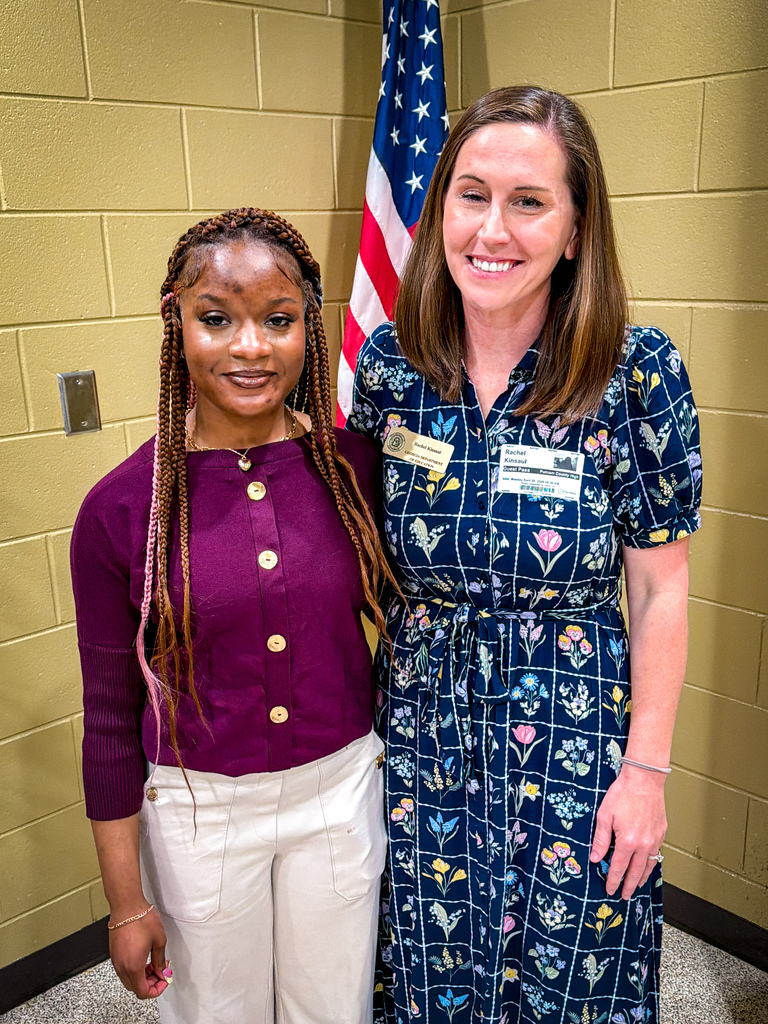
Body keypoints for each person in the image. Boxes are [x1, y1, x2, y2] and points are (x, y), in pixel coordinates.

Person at [347, 87, 701, 1023]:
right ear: (441, 212)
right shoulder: (391, 367)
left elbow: (662, 591)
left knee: (576, 965)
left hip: (579, 733)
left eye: (529, 201)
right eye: (471, 195)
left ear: (577, 229)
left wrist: (647, 774)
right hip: (423, 729)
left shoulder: (635, 371)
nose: (492, 230)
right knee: (430, 958)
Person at [71, 208, 397, 1024]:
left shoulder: (353, 470)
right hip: (202, 810)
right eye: (217, 318)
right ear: (175, 322)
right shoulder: (121, 510)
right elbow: (110, 719)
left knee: (335, 1008)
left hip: (339, 791)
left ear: (309, 332)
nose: (250, 347)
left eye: (278, 320)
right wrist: (126, 903)